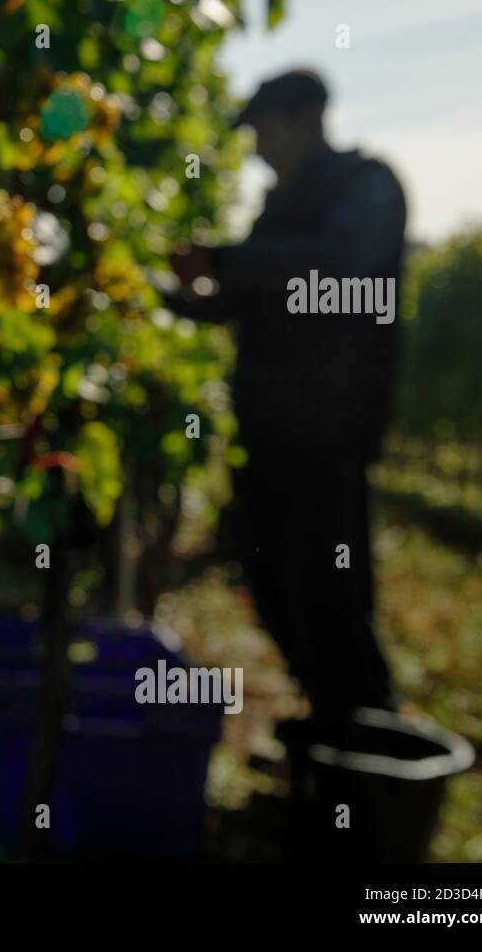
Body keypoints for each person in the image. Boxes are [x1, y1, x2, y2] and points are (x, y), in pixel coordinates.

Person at [167, 69, 407, 739]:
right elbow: (241, 303)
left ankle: (368, 729)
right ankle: (327, 717)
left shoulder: (368, 187)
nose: (255, 150)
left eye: (262, 131)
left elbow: (335, 268)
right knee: (272, 581)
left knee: (332, 587)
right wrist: (167, 293)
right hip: (267, 431)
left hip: (329, 435)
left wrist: (224, 256)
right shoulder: (280, 208)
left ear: (308, 116)